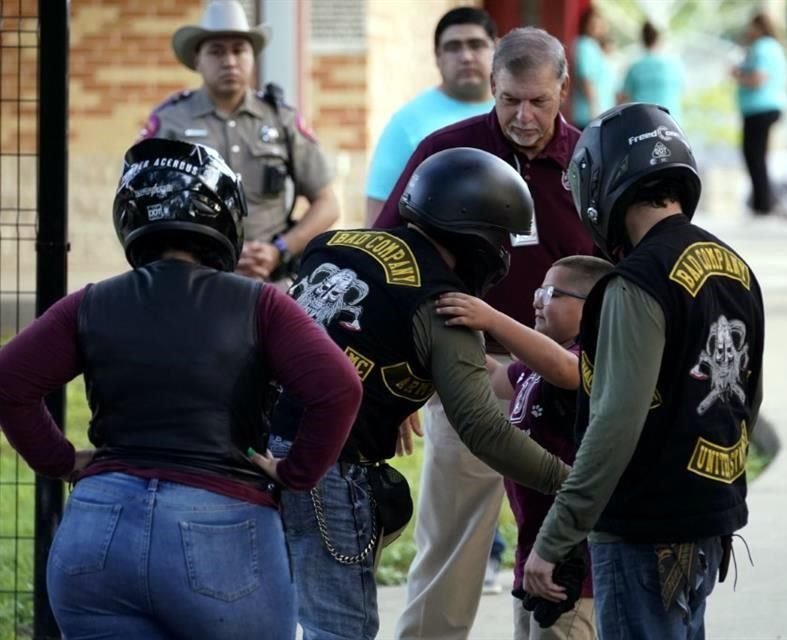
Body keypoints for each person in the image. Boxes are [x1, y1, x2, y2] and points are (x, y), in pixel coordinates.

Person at [0, 139, 363, 639]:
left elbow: (8, 382)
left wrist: (59, 460)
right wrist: (297, 472)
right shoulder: (262, 304)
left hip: (96, 531)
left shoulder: (90, 303)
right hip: (221, 528)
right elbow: (339, 387)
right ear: (228, 218)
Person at [270, 147, 572, 640]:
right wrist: (573, 483)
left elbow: (333, 333)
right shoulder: (444, 304)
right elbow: (484, 429)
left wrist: (383, 389)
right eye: (501, 236)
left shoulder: (334, 244)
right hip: (328, 467)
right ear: (479, 237)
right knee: (339, 630)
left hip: (253, 449)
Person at [373, 27, 596, 640]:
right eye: (508, 101)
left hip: (560, 384)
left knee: (554, 545)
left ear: (563, 90)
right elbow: (392, 262)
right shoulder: (447, 153)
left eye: (538, 102)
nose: (523, 117)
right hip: (462, 370)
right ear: (491, 89)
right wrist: (396, 387)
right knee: (452, 547)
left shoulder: (589, 166)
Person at [522, 104, 765, 640]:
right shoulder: (735, 268)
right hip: (707, 520)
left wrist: (554, 539)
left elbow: (613, 425)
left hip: (642, 530)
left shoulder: (636, 282)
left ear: (605, 181)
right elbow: (749, 399)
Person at [435, 254, 613, 640]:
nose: (536, 301)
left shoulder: (590, 360)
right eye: (538, 290)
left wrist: (493, 319)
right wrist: (441, 344)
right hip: (532, 547)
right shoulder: (532, 367)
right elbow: (495, 379)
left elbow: (565, 372)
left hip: (572, 561)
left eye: (551, 293)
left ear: (594, 308)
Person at [140, 0, 340, 280]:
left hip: (269, 284)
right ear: (197, 59)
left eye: (239, 50)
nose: (230, 61)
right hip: (193, 284)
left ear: (253, 56)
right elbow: (142, 205)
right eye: (217, 51)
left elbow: (327, 203)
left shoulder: (281, 119)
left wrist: (279, 250)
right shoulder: (170, 122)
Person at [364, 7, 497, 225]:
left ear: (496, 48)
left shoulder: (518, 113)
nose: (466, 57)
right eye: (453, 47)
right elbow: (377, 218)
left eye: (476, 44)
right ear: (437, 57)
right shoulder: (407, 123)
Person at [731, 11, 787, 215]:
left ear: (759, 27)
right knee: (758, 156)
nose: (749, 31)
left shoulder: (762, 47)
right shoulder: (775, 47)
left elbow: (758, 78)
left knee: (754, 156)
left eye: (751, 27)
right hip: (771, 106)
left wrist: (739, 75)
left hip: (759, 108)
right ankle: (761, 201)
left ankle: (762, 204)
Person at [619, 20, 684, 125]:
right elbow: (680, 89)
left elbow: (622, 97)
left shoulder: (635, 67)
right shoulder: (674, 65)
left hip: (643, 124)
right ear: (659, 39)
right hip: (671, 123)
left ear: (643, 39)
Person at [572, 7, 617, 130]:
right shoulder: (585, 45)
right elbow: (587, 79)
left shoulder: (595, 47)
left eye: (599, 23)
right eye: (592, 24)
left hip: (601, 114)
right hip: (591, 115)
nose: (597, 27)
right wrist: (594, 110)